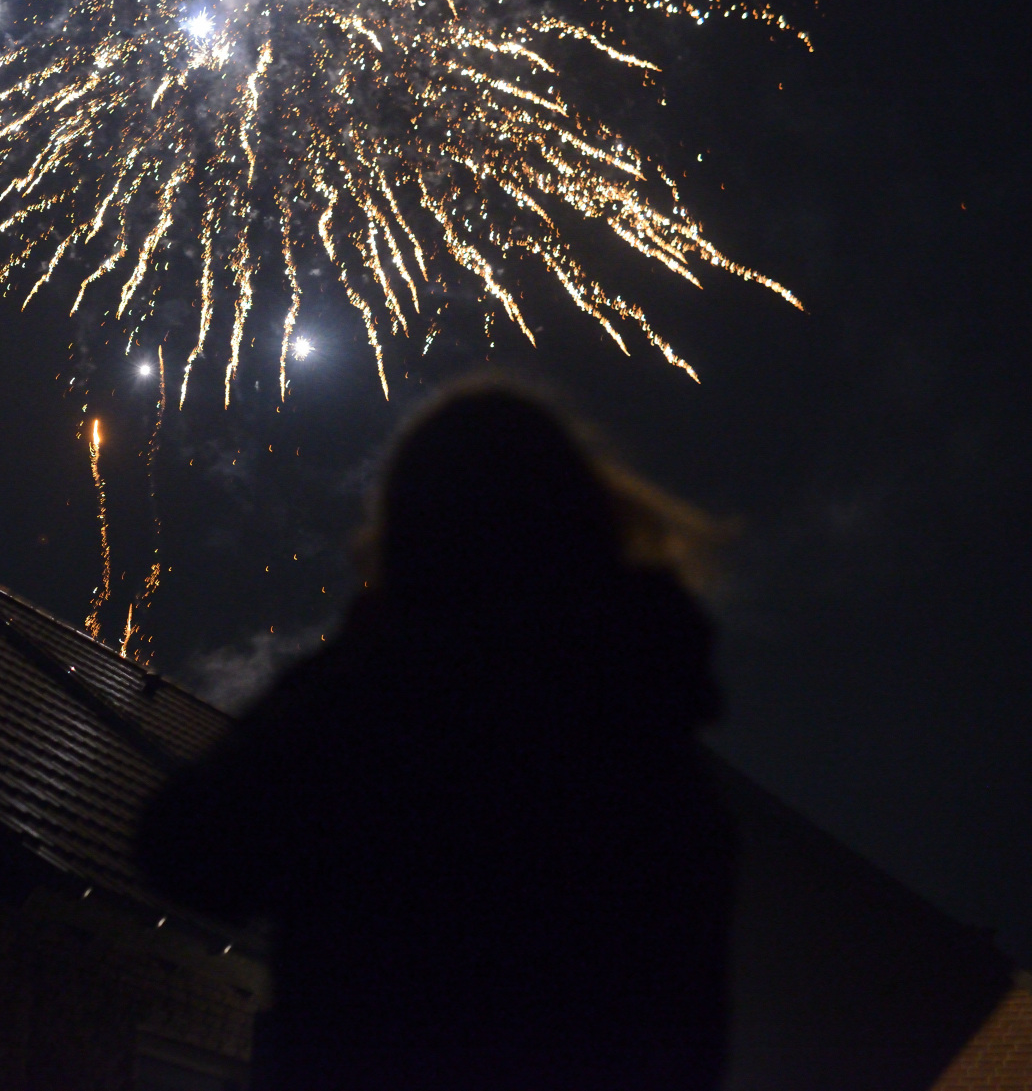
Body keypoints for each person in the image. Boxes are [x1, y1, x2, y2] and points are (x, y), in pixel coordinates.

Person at [135, 380, 737, 1091]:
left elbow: (186, 846)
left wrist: (356, 652)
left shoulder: (385, 711)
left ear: (418, 534)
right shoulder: (660, 758)